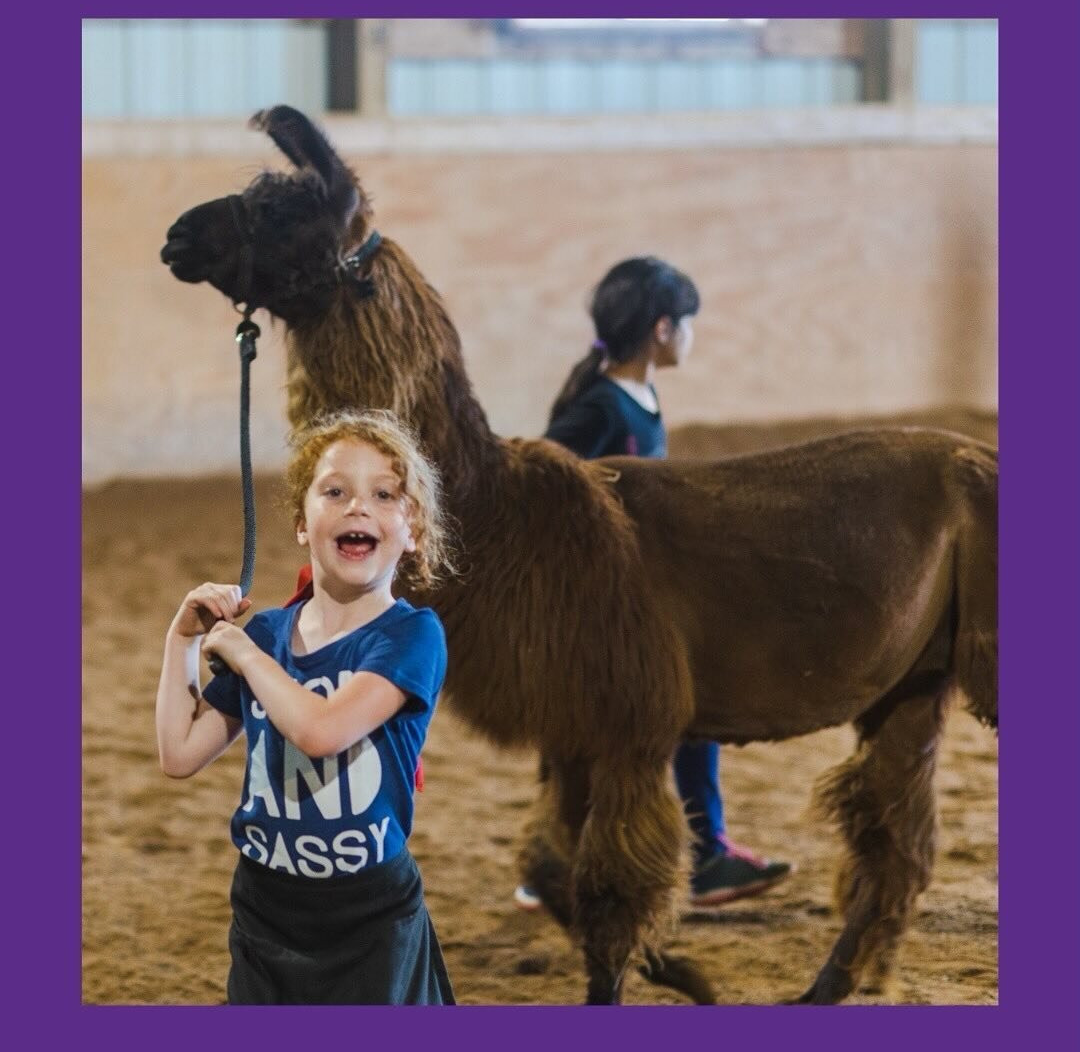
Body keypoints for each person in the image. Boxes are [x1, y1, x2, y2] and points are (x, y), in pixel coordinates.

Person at [514, 256, 791, 911]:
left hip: (641, 604)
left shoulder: (639, 397)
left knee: (689, 720)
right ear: (664, 329)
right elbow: (539, 484)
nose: (692, 335)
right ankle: (580, 863)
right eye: (689, 323)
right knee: (632, 732)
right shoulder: (599, 407)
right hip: (599, 611)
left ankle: (702, 853)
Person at [156, 408, 456, 1005]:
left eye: (385, 494)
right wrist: (181, 640)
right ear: (302, 522)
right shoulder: (267, 634)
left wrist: (243, 655)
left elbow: (323, 731)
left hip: (370, 920)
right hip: (266, 916)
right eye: (335, 491)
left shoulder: (411, 636)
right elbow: (179, 753)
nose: (358, 507)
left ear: (414, 530)